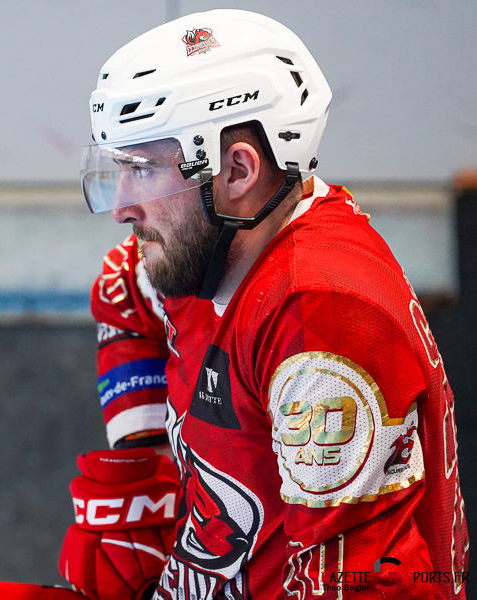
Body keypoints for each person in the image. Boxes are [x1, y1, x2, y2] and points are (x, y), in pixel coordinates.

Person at [59, 8, 468, 600]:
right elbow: (123, 291)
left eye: (143, 169)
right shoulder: (207, 250)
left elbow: (361, 588)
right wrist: (152, 475)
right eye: (119, 169)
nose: (122, 206)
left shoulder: (319, 315)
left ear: (237, 169)